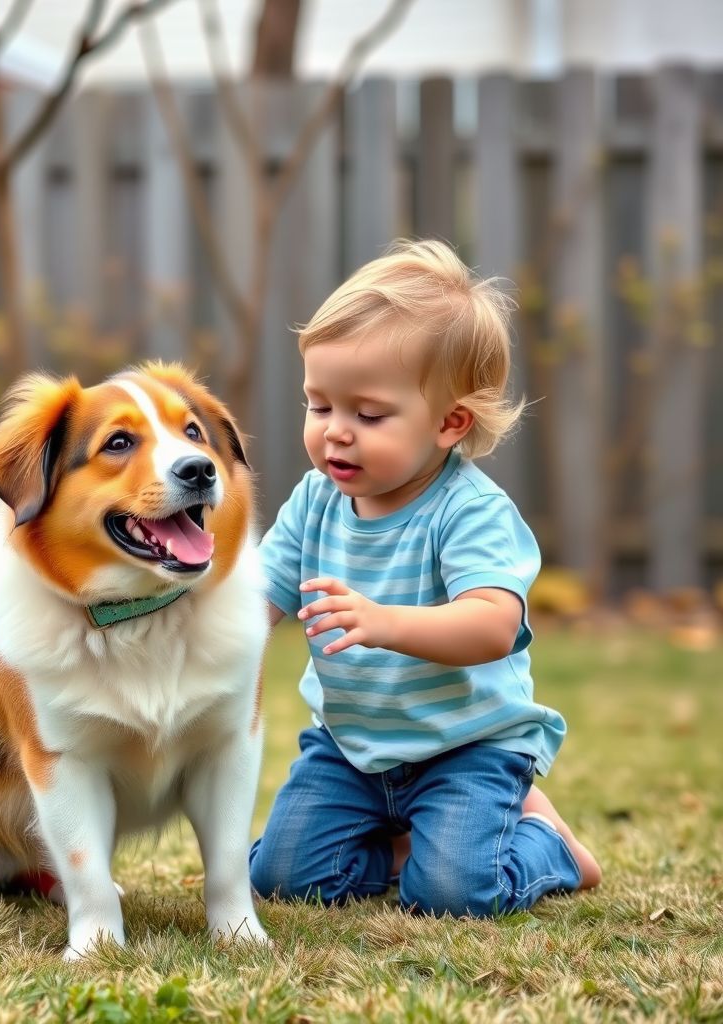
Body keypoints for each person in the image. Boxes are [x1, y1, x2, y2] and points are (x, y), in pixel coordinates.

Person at [249, 240, 601, 916]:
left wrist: (384, 622)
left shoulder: (469, 512)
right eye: (319, 406)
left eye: (368, 414)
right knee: (281, 877)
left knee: (452, 894)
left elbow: (494, 625)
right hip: (352, 749)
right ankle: (406, 845)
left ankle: (547, 844)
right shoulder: (313, 501)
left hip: (465, 747)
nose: (335, 434)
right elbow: (256, 601)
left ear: (450, 422)